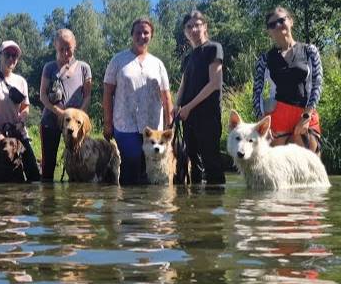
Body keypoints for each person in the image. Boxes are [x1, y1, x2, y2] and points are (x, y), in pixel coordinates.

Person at [103, 17, 173, 184]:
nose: (142, 36)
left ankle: (149, 209)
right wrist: (107, 122)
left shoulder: (157, 64)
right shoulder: (118, 61)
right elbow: (107, 93)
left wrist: (169, 124)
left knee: (152, 173)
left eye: (146, 32)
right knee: (131, 167)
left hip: (153, 127)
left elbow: (166, 95)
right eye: (138, 32)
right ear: (132, 35)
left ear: (151, 35)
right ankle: (129, 206)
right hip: (125, 125)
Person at [252, 6, 323, 154]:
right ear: (269, 31)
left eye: (281, 20)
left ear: (290, 21)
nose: (278, 26)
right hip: (277, 115)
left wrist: (306, 116)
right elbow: (257, 93)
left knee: (306, 165)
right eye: (272, 25)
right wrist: (262, 125)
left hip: (305, 112)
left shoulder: (310, 51)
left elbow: (317, 84)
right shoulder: (264, 59)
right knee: (279, 169)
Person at [0, 40, 41, 181]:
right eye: (8, 54)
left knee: (34, 177)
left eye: (15, 55)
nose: (11, 58)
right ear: (0, 55)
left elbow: (25, 107)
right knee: (0, 182)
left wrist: (21, 122)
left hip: (18, 140)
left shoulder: (21, 81)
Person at [174, 10, 225, 185]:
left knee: (212, 162)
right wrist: (177, 105)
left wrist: (188, 107)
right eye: (189, 26)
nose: (193, 29)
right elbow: (183, 84)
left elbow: (214, 84)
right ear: (185, 32)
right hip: (189, 118)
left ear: (205, 26)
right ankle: (196, 208)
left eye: (197, 25)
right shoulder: (188, 57)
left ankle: (215, 207)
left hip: (208, 115)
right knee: (194, 165)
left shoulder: (214, 48)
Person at [39, 29, 92, 182]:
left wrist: (79, 117)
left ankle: (78, 202)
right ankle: (48, 204)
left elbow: (87, 95)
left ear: (74, 45)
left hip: (76, 125)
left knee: (80, 162)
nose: (65, 52)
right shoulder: (49, 67)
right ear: (55, 46)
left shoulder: (84, 68)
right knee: (48, 166)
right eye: (61, 49)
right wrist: (59, 113)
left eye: (68, 48)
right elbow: (42, 96)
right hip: (50, 122)